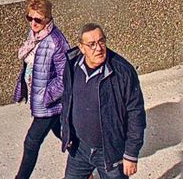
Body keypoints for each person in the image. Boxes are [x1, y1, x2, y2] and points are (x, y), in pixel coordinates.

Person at [59, 23, 145, 178]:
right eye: (91, 44)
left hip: (110, 153)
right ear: (81, 48)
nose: (98, 48)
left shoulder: (123, 72)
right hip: (79, 149)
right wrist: (67, 132)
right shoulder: (72, 65)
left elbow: (136, 113)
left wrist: (131, 154)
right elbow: (66, 100)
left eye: (101, 41)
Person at [12, 0, 68, 179]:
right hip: (41, 98)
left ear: (48, 18)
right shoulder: (35, 36)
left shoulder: (56, 42)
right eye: (30, 18)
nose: (33, 23)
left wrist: (46, 97)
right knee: (63, 134)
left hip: (49, 104)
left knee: (31, 142)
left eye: (38, 19)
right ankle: (86, 165)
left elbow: (64, 77)